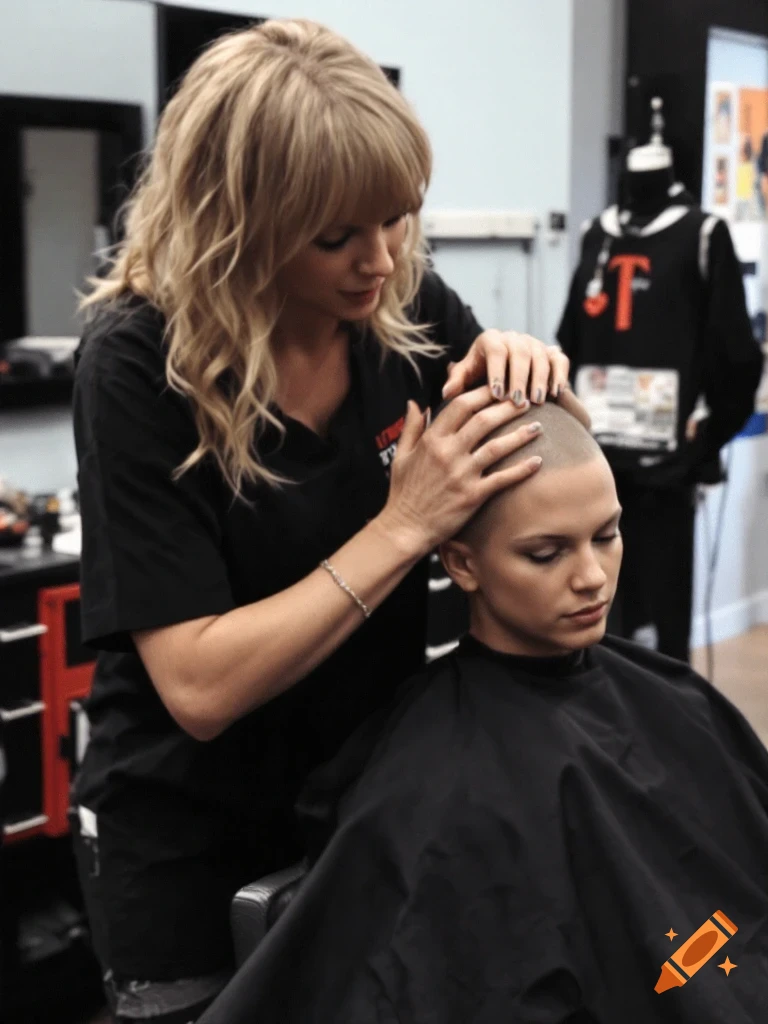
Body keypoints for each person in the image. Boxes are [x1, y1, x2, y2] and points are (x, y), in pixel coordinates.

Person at [70, 18, 570, 1024]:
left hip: (365, 802)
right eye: (337, 236)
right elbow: (200, 686)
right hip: (187, 844)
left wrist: (546, 387)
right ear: (239, 219)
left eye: (396, 219)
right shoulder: (136, 367)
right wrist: (402, 528)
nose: (380, 261)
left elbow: (549, 470)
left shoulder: (403, 305)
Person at [199, 399, 768, 1024]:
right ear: (462, 562)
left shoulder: (674, 696)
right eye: (546, 554)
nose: (592, 577)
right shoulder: (437, 778)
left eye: (606, 536)